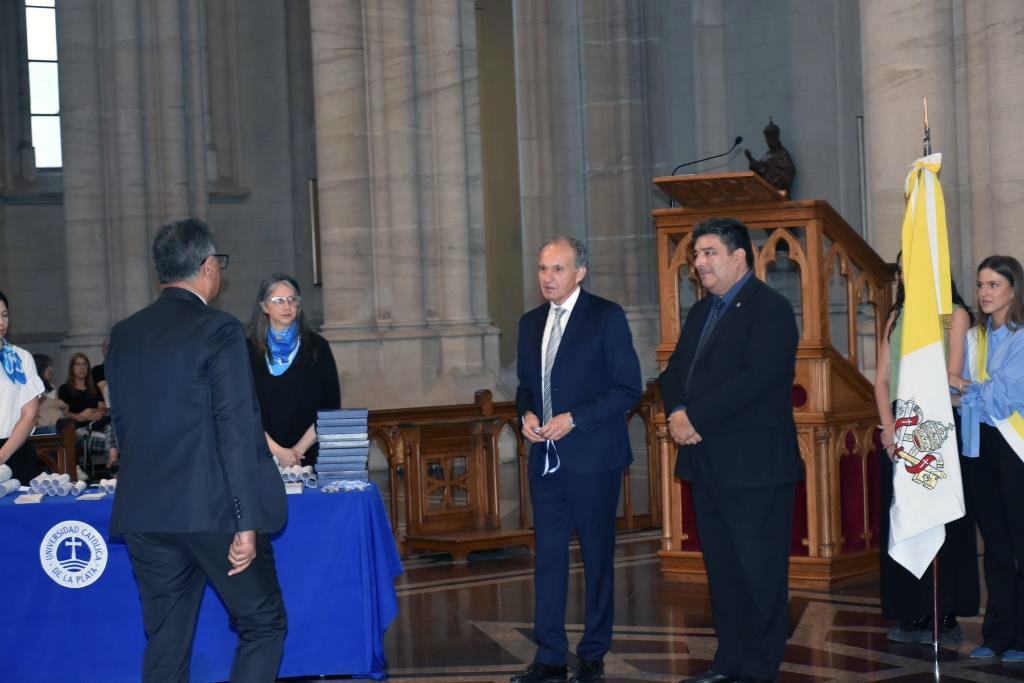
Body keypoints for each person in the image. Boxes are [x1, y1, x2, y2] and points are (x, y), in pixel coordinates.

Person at [106, 218, 287, 682]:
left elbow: (123, 425)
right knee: (263, 624)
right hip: (213, 512)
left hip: (146, 510)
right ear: (208, 266)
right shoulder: (219, 329)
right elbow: (236, 427)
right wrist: (246, 522)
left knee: (166, 641)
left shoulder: (125, 333)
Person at [658, 217, 801, 683]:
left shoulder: (771, 309)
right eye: (696, 254)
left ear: (739, 256)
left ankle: (759, 669)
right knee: (722, 572)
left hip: (756, 467)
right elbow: (674, 370)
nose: (699, 262)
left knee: (759, 573)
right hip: (708, 463)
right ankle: (729, 662)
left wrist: (694, 419)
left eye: (709, 252)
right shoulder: (703, 312)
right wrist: (677, 409)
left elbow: (755, 380)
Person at [510, 236, 642, 683]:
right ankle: (549, 656)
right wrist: (525, 413)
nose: (548, 277)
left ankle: (592, 653)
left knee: (597, 557)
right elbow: (526, 385)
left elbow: (628, 387)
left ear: (579, 272)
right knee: (547, 559)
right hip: (545, 461)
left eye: (558, 269)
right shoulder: (529, 323)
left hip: (593, 459)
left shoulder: (605, 316)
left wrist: (575, 418)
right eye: (543, 268)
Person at [873, 254, 979, 644]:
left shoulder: (953, 314)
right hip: (898, 423)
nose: (904, 275)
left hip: (937, 423)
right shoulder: (896, 315)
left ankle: (945, 609)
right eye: (901, 269)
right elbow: (882, 378)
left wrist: (914, 426)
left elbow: (951, 377)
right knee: (904, 516)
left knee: (942, 517)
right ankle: (911, 608)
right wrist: (888, 426)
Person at [955, 255, 1024, 662]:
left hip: (1013, 448)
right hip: (978, 445)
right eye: (980, 284)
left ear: (1013, 290)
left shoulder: (1020, 339)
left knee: (1020, 545)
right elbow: (962, 393)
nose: (983, 293)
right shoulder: (974, 339)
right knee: (995, 545)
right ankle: (996, 633)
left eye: (993, 285)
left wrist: (962, 384)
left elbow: (1002, 396)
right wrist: (961, 386)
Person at [246, 274, 340, 469]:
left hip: (309, 456)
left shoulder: (318, 348)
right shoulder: (248, 350)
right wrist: (278, 452)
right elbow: (244, 408)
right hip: (263, 457)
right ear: (264, 307)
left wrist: (298, 451)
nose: (286, 307)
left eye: (292, 300)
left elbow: (331, 407)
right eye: (278, 301)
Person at [0, 291, 45, 483]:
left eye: (4, 315)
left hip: (15, 450)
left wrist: (2, 455)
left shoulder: (22, 358)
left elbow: (30, 414)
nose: (1, 322)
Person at [744, 118, 796, 196]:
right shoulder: (768, 154)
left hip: (778, 195)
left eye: (770, 140)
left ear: (775, 139)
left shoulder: (782, 153)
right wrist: (751, 160)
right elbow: (762, 169)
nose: (768, 143)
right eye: (767, 140)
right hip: (766, 194)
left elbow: (790, 171)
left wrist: (774, 182)